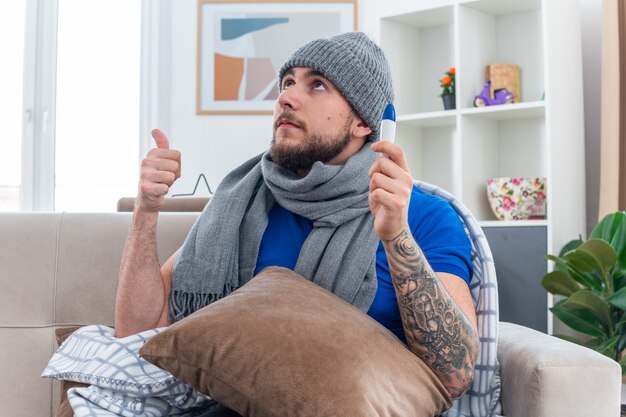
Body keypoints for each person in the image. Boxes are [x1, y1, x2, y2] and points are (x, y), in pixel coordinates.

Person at [114, 31, 479, 411]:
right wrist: (147, 210)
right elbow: (136, 331)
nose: (286, 97)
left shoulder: (426, 216)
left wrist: (396, 236)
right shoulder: (241, 202)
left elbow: (455, 373)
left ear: (363, 123)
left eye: (317, 85)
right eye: (287, 82)